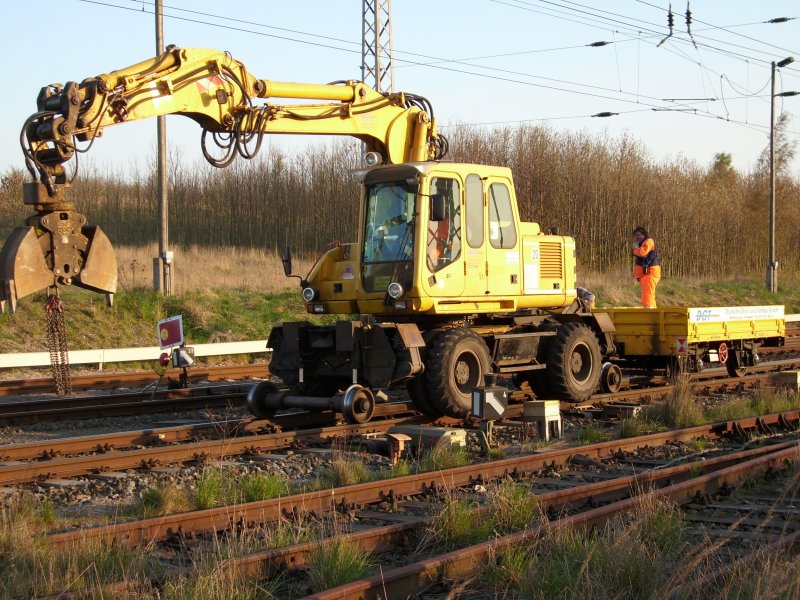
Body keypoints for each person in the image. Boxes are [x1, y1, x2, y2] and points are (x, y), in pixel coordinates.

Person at [631, 226, 661, 308]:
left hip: (650, 274)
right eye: (635, 236)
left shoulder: (649, 241)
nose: (637, 237)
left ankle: (649, 314)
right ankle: (654, 313)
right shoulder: (642, 244)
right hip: (645, 275)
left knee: (647, 297)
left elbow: (642, 253)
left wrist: (635, 249)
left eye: (638, 235)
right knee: (649, 295)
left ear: (644, 234)